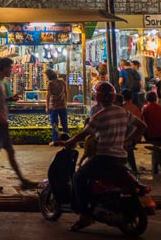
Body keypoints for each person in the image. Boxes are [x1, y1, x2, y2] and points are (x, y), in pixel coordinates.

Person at [58, 81, 146, 232]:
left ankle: (84, 216)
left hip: (104, 158)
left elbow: (83, 134)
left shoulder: (98, 116)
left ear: (97, 97)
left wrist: (68, 142)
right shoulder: (123, 112)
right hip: (121, 159)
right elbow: (142, 127)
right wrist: (126, 141)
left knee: (78, 177)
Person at [0, 57, 37, 193]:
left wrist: (9, 99)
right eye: (10, 67)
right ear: (5, 68)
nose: (12, 70)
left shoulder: (0, 82)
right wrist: (1, 117)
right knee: (10, 151)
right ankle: (22, 180)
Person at [120, 89, 142, 174]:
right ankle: (132, 168)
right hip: (134, 136)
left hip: (126, 137)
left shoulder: (122, 108)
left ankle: (129, 168)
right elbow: (141, 123)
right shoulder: (135, 108)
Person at [45, 69, 68, 145]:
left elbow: (48, 95)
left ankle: (55, 140)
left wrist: (47, 106)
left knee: (55, 123)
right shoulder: (61, 81)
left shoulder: (50, 83)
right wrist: (66, 100)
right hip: (62, 105)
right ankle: (67, 138)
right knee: (64, 123)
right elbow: (66, 91)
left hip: (53, 106)